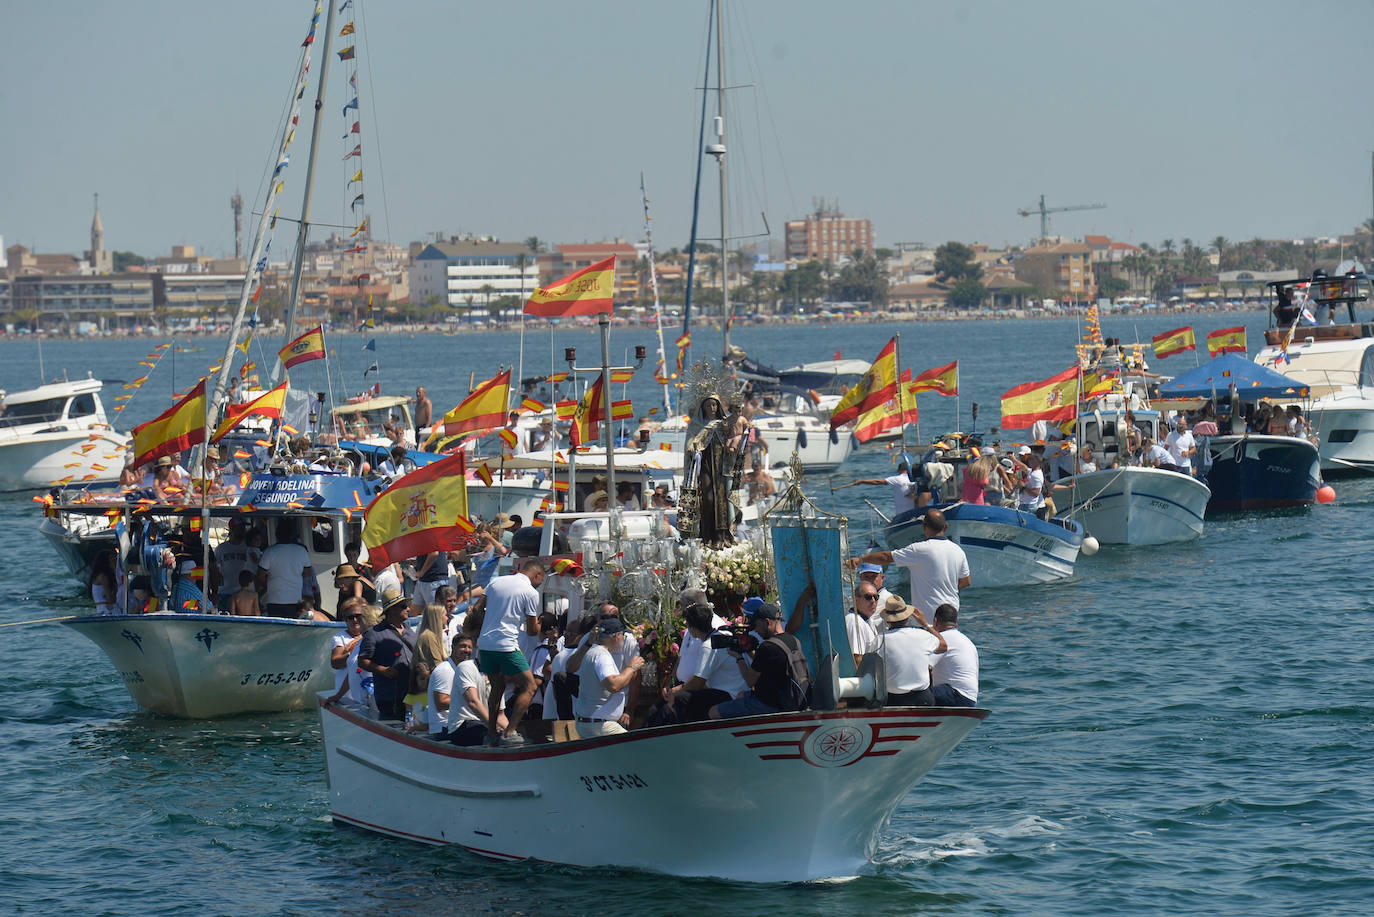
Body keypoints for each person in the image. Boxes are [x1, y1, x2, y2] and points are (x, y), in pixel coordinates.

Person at [709, 586, 812, 719]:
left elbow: (749, 681)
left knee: (714, 712)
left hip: (770, 704)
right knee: (741, 695)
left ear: (767, 622)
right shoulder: (793, 640)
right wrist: (750, 651)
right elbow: (766, 663)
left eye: (756, 625)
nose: (755, 630)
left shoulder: (768, 647)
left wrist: (739, 657)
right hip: (792, 700)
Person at [475, 559, 546, 746]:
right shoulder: (530, 592)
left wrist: (489, 625)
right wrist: (539, 624)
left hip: (485, 644)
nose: (539, 585)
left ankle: (491, 734)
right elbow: (532, 632)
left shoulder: (497, 581)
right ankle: (510, 732)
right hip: (506, 646)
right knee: (530, 686)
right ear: (537, 574)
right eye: (541, 581)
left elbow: (476, 608)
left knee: (497, 688)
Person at [850, 507, 971, 613]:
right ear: (945, 527)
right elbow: (966, 581)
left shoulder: (919, 549)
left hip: (927, 617)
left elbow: (886, 557)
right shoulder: (958, 551)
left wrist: (860, 559)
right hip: (951, 613)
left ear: (924, 527)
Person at [567, 615, 644, 737]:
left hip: (589, 723)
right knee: (634, 751)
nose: (624, 640)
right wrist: (632, 667)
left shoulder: (591, 652)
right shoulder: (602, 656)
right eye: (623, 636)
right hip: (599, 726)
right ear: (616, 636)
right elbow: (613, 685)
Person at [876, 596, 947, 706]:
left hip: (893, 700)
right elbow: (943, 646)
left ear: (887, 620)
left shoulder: (879, 640)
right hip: (923, 699)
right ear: (907, 617)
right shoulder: (923, 635)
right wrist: (925, 624)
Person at [357, 591, 416, 721]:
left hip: (413, 696)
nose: (408, 609)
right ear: (391, 610)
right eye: (403, 606)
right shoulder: (374, 633)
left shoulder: (409, 630)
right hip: (391, 698)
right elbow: (362, 661)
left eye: (407, 605)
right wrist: (382, 670)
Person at [256, 518, 318, 618]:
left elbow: (260, 575)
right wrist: (295, 574)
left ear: (277, 535)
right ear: (292, 535)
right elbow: (308, 573)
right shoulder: (301, 551)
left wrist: (267, 584)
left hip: (274, 599)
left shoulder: (269, 551)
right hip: (295, 600)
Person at [930, 604, 979, 707]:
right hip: (970, 698)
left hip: (955, 695)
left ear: (935, 621)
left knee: (916, 695)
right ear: (955, 623)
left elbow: (926, 667)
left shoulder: (940, 639)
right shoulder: (967, 640)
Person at [324, 598, 367, 707]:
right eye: (350, 617)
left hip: (367, 697)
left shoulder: (371, 636)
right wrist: (353, 650)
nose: (355, 620)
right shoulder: (339, 638)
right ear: (345, 619)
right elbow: (335, 663)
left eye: (358, 616)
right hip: (346, 699)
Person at [212, 518, 259, 611]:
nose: (243, 530)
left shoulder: (249, 547)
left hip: (245, 593)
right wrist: (214, 591)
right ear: (232, 529)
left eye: (244, 527)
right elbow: (215, 570)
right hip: (225, 592)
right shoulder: (221, 548)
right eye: (240, 527)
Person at [852, 461, 917, 517]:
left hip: (902, 515)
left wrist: (862, 481)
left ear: (899, 470)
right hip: (916, 514)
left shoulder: (897, 479)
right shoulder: (916, 479)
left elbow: (877, 482)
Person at [847, 581, 881, 668]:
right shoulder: (854, 621)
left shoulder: (867, 620)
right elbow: (857, 658)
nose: (873, 601)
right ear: (856, 600)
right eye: (868, 597)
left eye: (876, 597)